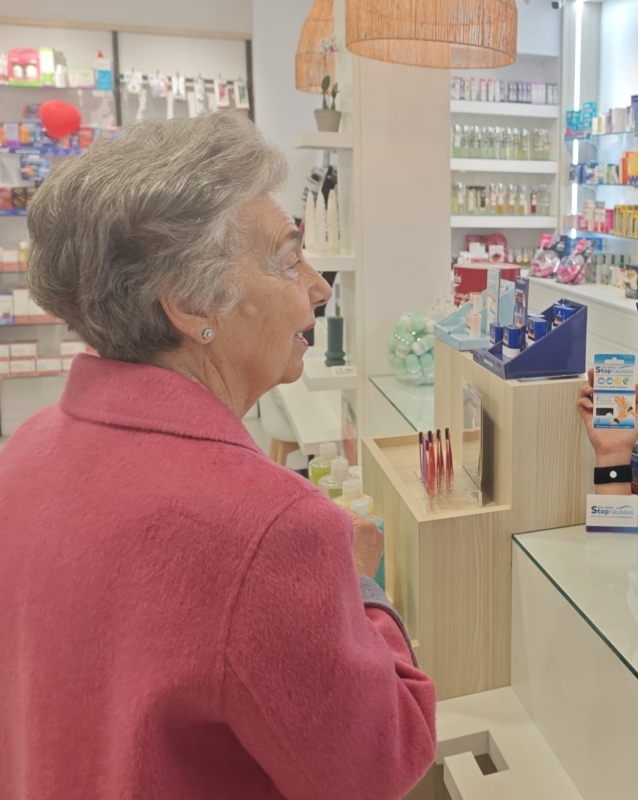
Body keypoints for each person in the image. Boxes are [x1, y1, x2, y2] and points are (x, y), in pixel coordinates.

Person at [0, 114, 437, 799]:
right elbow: (379, 764)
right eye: (287, 260)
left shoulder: (25, 450)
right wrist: (358, 589)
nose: (319, 287)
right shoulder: (270, 530)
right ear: (192, 301)